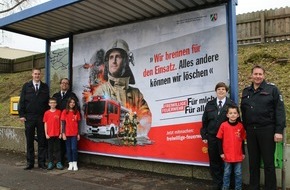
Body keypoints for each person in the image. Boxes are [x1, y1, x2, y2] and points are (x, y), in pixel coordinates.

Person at [94, 39, 152, 139]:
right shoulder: (100, 91)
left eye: (118, 57)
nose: (114, 61)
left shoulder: (136, 94)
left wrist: (131, 129)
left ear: (125, 61)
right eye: (111, 57)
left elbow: (146, 119)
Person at [241, 65, 286, 190]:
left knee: (268, 163)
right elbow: (243, 111)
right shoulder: (246, 91)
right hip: (251, 131)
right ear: (251, 75)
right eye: (255, 74)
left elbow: (280, 111)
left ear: (264, 75)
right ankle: (254, 187)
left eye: (260, 74)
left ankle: (270, 188)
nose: (258, 76)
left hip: (267, 130)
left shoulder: (272, 89)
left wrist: (278, 131)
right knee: (253, 163)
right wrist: (245, 128)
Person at [200, 82, 237, 190]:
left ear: (226, 91)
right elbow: (204, 122)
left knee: (227, 162)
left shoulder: (231, 104)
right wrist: (204, 135)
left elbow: (237, 121)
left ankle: (229, 185)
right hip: (212, 138)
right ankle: (218, 184)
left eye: (223, 89)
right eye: (219, 89)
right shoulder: (210, 104)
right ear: (216, 91)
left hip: (227, 139)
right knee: (214, 161)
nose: (221, 91)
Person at [18, 68, 49, 170]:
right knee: (29, 141)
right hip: (29, 117)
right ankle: (30, 163)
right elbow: (22, 101)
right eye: (35, 74)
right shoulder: (26, 86)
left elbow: (47, 103)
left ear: (41, 75)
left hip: (41, 117)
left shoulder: (45, 87)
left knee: (42, 140)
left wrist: (47, 117)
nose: (37, 76)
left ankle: (41, 162)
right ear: (32, 74)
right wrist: (21, 115)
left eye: (39, 74)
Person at [216, 105, 246, 190]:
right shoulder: (223, 125)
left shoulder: (240, 126)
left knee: (238, 173)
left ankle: (238, 188)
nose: (233, 115)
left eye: (235, 113)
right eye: (230, 113)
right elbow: (219, 140)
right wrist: (221, 152)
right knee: (227, 173)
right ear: (227, 115)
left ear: (238, 115)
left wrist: (243, 152)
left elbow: (242, 140)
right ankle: (225, 188)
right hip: (227, 154)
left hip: (238, 154)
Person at [52, 78, 79, 165]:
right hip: (57, 123)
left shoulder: (72, 95)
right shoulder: (55, 96)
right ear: (60, 84)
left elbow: (76, 108)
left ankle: (69, 161)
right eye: (63, 83)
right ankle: (59, 161)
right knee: (58, 143)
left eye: (66, 83)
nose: (64, 84)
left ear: (68, 85)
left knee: (69, 145)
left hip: (68, 125)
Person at [61, 97, 81, 171]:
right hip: (67, 133)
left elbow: (78, 124)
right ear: (68, 103)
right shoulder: (64, 111)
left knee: (74, 148)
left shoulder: (76, 112)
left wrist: (78, 133)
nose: (72, 104)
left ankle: (75, 162)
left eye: (73, 102)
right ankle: (70, 163)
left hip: (74, 133)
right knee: (68, 149)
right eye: (71, 102)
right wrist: (63, 133)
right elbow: (63, 123)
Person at [43, 97, 63, 170]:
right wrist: (46, 134)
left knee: (58, 149)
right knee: (50, 149)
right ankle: (50, 162)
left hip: (57, 134)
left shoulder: (59, 112)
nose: (53, 104)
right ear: (49, 104)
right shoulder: (46, 113)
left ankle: (58, 162)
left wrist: (61, 133)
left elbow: (61, 123)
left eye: (54, 103)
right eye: (51, 103)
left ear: (56, 104)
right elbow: (45, 124)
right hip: (50, 134)